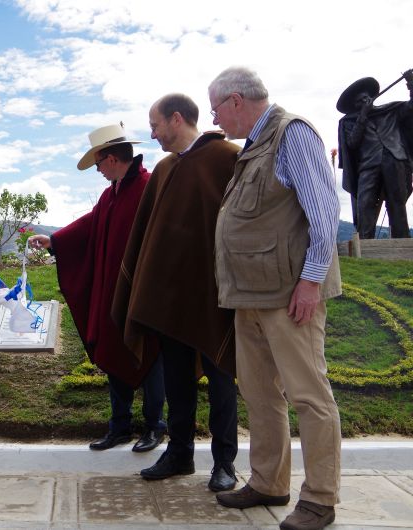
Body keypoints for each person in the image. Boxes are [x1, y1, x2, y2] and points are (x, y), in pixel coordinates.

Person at [209, 67, 342, 530]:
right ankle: (268, 481)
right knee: (261, 393)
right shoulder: (254, 147)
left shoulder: (292, 134)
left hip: (289, 294)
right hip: (252, 295)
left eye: (217, 109)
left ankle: (321, 499)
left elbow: (325, 212)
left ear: (237, 101)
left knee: (309, 396)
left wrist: (310, 282)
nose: (216, 119)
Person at [111, 94, 239, 492]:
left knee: (221, 381)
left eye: (155, 125)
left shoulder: (227, 158)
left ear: (177, 118)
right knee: (177, 382)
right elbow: (148, 235)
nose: (152, 134)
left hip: (216, 294)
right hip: (169, 297)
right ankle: (180, 454)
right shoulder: (165, 169)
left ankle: (224, 463)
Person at [29, 123, 166, 453]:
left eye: (99, 164)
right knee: (113, 350)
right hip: (112, 292)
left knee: (147, 356)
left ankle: (154, 426)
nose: (98, 172)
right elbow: (90, 224)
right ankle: (119, 426)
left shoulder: (149, 187)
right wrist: (56, 240)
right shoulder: (111, 193)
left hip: (142, 294)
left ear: (113, 158)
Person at [337, 70, 413, 239]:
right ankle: (365, 243)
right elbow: (352, 143)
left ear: (371, 97)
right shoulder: (349, 122)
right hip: (369, 165)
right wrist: (362, 117)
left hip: (395, 160)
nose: (364, 101)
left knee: (397, 203)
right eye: (359, 101)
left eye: (366, 98)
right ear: (355, 106)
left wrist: (411, 84)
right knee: (365, 203)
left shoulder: (390, 111)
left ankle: (402, 240)